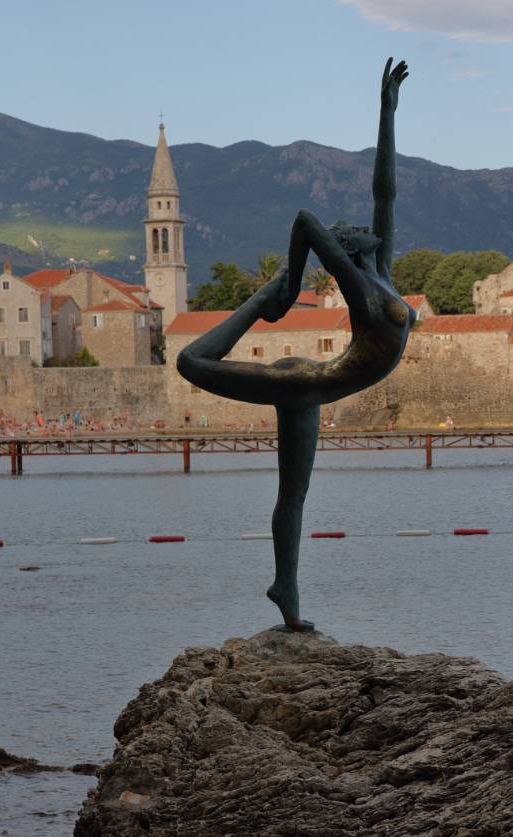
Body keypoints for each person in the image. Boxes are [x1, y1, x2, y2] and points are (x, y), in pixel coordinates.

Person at [178, 59, 413, 631]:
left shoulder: (379, 267)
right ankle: (261, 301)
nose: (364, 223)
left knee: (294, 496)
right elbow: (307, 221)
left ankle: (286, 589)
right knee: (190, 361)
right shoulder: (358, 284)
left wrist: (385, 113)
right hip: (302, 382)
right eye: (353, 228)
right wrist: (283, 288)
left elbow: (386, 187)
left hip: (311, 386)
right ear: (348, 248)